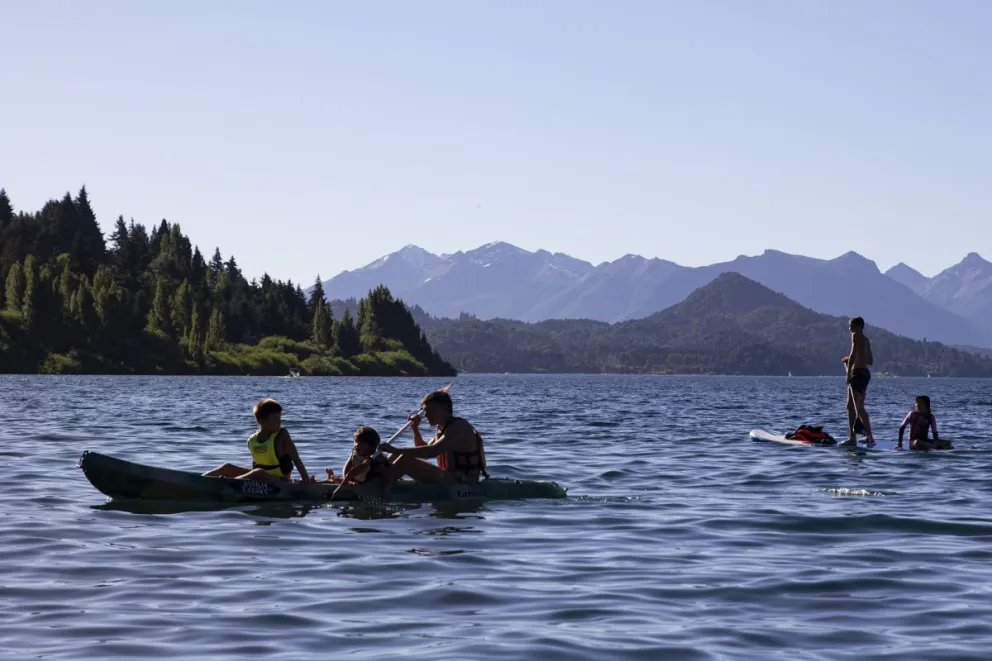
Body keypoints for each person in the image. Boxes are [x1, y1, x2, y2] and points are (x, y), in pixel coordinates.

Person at [378, 390, 487, 495]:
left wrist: (396, 449)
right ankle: (378, 482)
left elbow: (433, 451)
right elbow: (424, 450)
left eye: (430, 410)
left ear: (445, 409)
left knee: (403, 459)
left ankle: (380, 492)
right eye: (424, 410)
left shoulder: (458, 427)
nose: (425, 415)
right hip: (449, 478)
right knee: (394, 455)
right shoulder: (443, 428)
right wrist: (415, 429)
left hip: (463, 481)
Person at [203, 398, 314, 484]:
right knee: (227, 467)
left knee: (258, 473)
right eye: (275, 418)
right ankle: (199, 480)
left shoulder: (282, 435)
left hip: (281, 482)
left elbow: (296, 458)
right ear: (261, 420)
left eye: (280, 418)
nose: (279, 422)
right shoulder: (251, 440)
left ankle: (227, 484)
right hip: (260, 481)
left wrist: (305, 479)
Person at [840, 317, 874, 446]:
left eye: (852, 326)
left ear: (859, 326)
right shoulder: (866, 340)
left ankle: (854, 438)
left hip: (857, 374)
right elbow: (870, 361)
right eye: (849, 326)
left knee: (854, 407)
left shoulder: (855, 335)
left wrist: (848, 373)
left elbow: (854, 353)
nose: (850, 329)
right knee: (855, 407)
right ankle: (867, 436)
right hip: (865, 374)